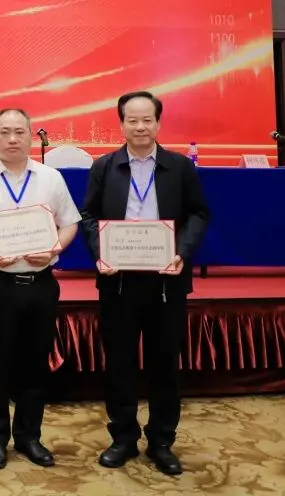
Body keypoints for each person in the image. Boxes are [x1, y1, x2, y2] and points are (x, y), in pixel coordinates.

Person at [80, 91, 210, 476]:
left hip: (166, 280)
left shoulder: (179, 167)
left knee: (164, 363)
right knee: (119, 362)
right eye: (132, 120)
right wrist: (100, 251)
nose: (140, 127)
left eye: (147, 120)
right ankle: (123, 437)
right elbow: (88, 215)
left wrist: (182, 252)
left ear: (158, 123)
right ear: (121, 124)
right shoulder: (104, 166)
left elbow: (199, 214)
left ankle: (161, 440)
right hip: (118, 281)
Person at [0, 108, 81, 469]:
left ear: (30, 135)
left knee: (34, 363)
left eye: (19, 132)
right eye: (4, 132)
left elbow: (70, 223)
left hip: (40, 284)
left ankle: (29, 437)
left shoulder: (51, 178)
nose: (12, 139)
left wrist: (55, 248)